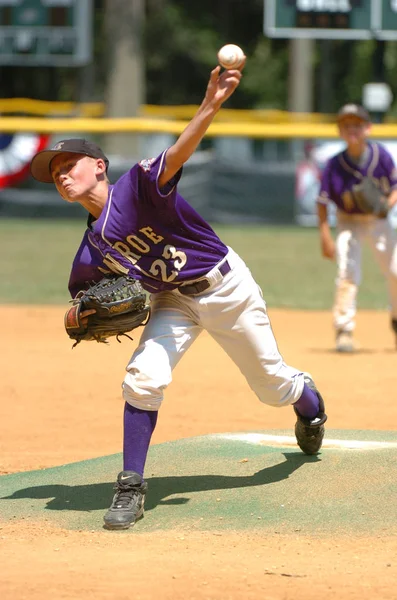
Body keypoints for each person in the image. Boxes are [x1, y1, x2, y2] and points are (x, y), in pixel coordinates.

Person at [30, 63, 327, 531]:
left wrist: (211, 102)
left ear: (99, 166)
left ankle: (308, 402)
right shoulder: (91, 249)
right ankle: (130, 487)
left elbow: (178, 152)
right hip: (172, 303)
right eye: (55, 173)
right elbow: (78, 305)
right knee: (142, 379)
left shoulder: (140, 186)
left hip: (227, 287)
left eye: (69, 166)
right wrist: (79, 317)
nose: (62, 176)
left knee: (272, 387)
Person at [317, 103, 397, 353]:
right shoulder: (334, 164)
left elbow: (395, 187)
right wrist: (325, 236)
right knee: (347, 272)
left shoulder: (380, 156)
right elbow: (322, 202)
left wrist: (387, 205)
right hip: (348, 220)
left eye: (357, 125)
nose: (352, 130)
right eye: (346, 125)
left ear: (368, 128)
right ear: (340, 131)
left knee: (395, 272)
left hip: (377, 220)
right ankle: (344, 329)